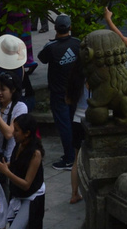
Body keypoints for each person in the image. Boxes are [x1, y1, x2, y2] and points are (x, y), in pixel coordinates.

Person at [39, 15, 83, 170]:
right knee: (73, 121)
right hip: (75, 91)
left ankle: (70, 158)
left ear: (56, 28)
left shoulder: (51, 47)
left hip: (59, 93)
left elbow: (42, 58)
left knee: (64, 125)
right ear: (70, 27)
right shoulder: (77, 44)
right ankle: (76, 154)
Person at [0, 114, 46, 229]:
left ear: (27, 133)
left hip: (31, 197)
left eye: (17, 130)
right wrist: (3, 167)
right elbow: (17, 163)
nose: (13, 133)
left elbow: (26, 184)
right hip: (18, 194)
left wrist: (7, 172)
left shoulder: (35, 154)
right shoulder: (19, 144)